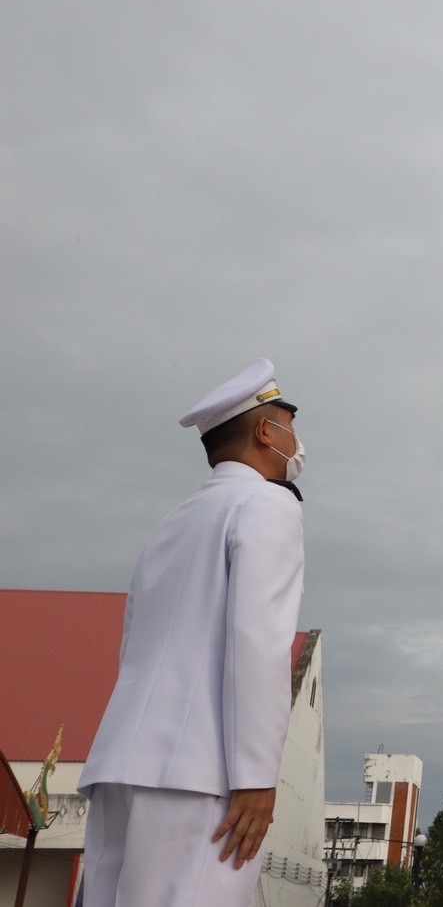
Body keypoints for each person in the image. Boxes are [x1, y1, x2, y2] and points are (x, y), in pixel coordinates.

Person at [79, 358, 308, 907]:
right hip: (201, 773)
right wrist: (255, 777)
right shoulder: (268, 504)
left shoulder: (177, 518)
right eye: (290, 423)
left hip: (123, 760)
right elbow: (258, 642)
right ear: (265, 431)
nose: (297, 440)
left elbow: (134, 642)